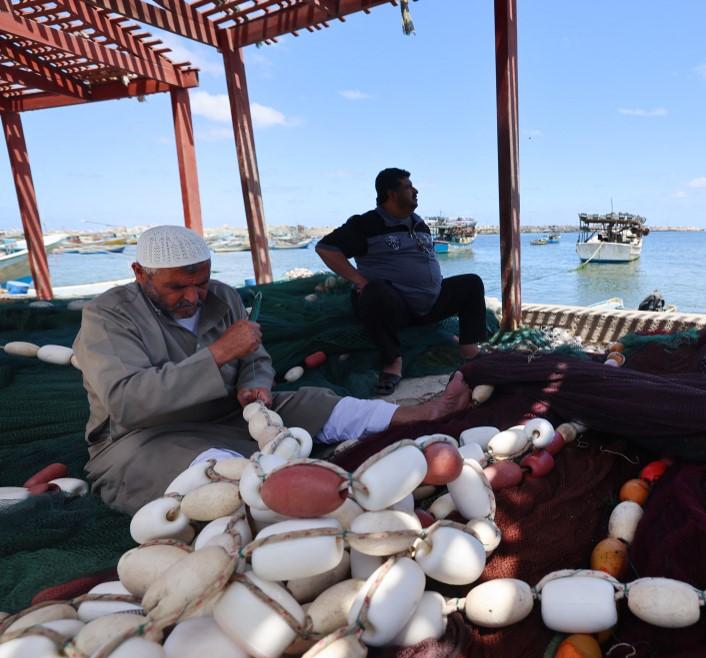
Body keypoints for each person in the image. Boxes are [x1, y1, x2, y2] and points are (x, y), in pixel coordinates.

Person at [74, 225, 470, 514]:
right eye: (177, 288)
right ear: (140, 273)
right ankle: (299, 495)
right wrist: (217, 354)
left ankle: (423, 414)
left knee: (314, 401)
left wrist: (255, 384)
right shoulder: (107, 316)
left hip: (228, 411)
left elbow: (256, 358)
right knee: (214, 471)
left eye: (201, 283)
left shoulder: (223, 297)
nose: (193, 297)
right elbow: (128, 402)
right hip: (145, 437)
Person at [316, 168, 487, 395]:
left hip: (430, 304)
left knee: (471, 283)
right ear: (392, 194)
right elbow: (326, 248)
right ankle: (392, 362)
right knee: (374, 291)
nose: (415, 190)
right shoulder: (366, 224)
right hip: (394, 308)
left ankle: (469, 350)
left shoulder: (419, 224)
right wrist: (359, 280)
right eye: (408, 186)